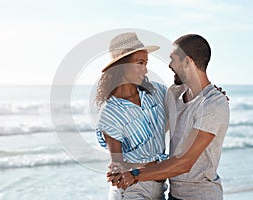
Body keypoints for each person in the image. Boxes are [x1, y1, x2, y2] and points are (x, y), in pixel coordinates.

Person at [108, 34, 230, 200]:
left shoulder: (213, 104)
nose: (170, 65)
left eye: (173, 60)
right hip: (172, 195)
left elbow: (185, 162)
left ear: (187, 62)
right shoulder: (174, 93)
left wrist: (135, 175)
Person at [95, 32, 168, 199]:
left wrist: (213, 96)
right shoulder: (110, 112)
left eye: (146, 63)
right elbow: (118, 163)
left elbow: (186, 100)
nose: (145, 69)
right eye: (140, 63)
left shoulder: (156, 93)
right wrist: (118, 171)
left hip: (160, 188)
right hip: (131, 191)